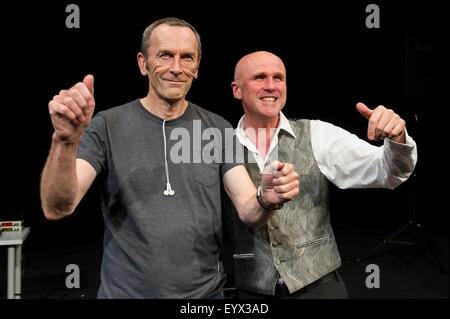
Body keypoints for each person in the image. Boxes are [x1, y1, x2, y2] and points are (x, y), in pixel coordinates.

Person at [40, 19, 300, 299]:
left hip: (205, 298)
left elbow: (249, 211)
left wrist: (266, 198)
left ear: (197, 67)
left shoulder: (217, 129)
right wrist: (64, 142)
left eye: (186, 57)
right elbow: (58, 207)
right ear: (143, 63)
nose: (176, 68)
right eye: (165, 55)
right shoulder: (107, 125)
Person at [225, 51, 418, 299]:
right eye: (259, 78)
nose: (271, 86)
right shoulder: (222, 147)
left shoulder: (316, 134)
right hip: (252, 291)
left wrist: (398, 138)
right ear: (236, 89)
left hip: (318, 288)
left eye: (278, 78)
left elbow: (388, 171)